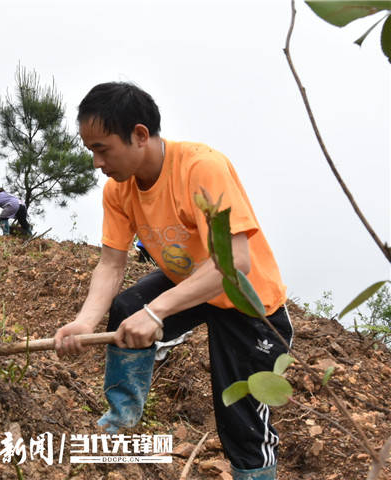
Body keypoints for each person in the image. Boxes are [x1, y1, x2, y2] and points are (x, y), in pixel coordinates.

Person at [53, 82, 292, 480]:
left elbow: (233, 262)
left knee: (240, 415)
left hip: (246, 301)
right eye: (90, 150)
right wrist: (84, 323)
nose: (96, 162)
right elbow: (111, 264)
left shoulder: (201, 167)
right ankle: (121, 420)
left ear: (140, 135)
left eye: (102, 148)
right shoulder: (118, 189)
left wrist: (157, 311)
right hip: (194, 282)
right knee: (127, 308)